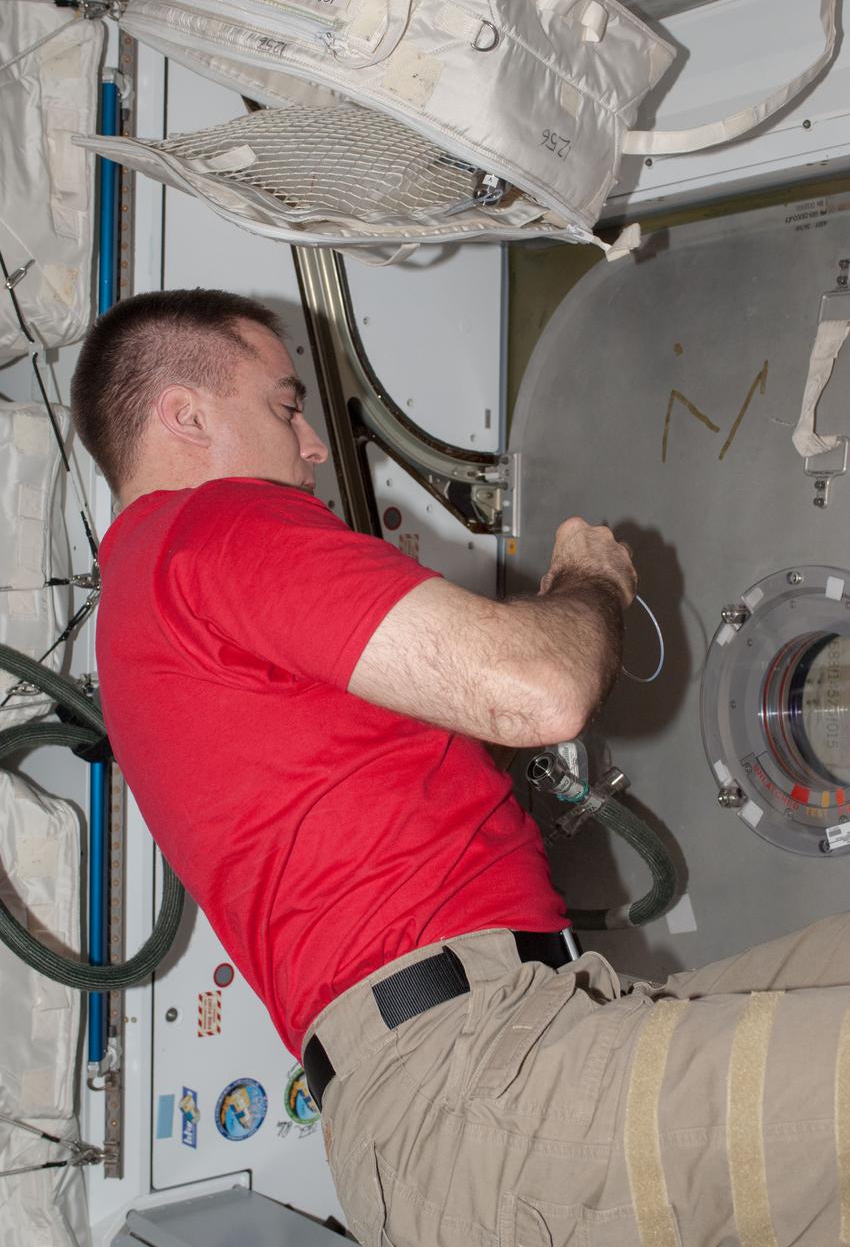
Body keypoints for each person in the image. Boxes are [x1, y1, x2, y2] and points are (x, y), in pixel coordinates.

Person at [71, 288, 850, 1247]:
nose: (312, 445)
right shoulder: (210, 528)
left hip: (505, 1050)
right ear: (185, 416)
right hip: (475, 1083)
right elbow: (539, 691)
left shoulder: (150, 600)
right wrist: (592, 582)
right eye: (284, 406)